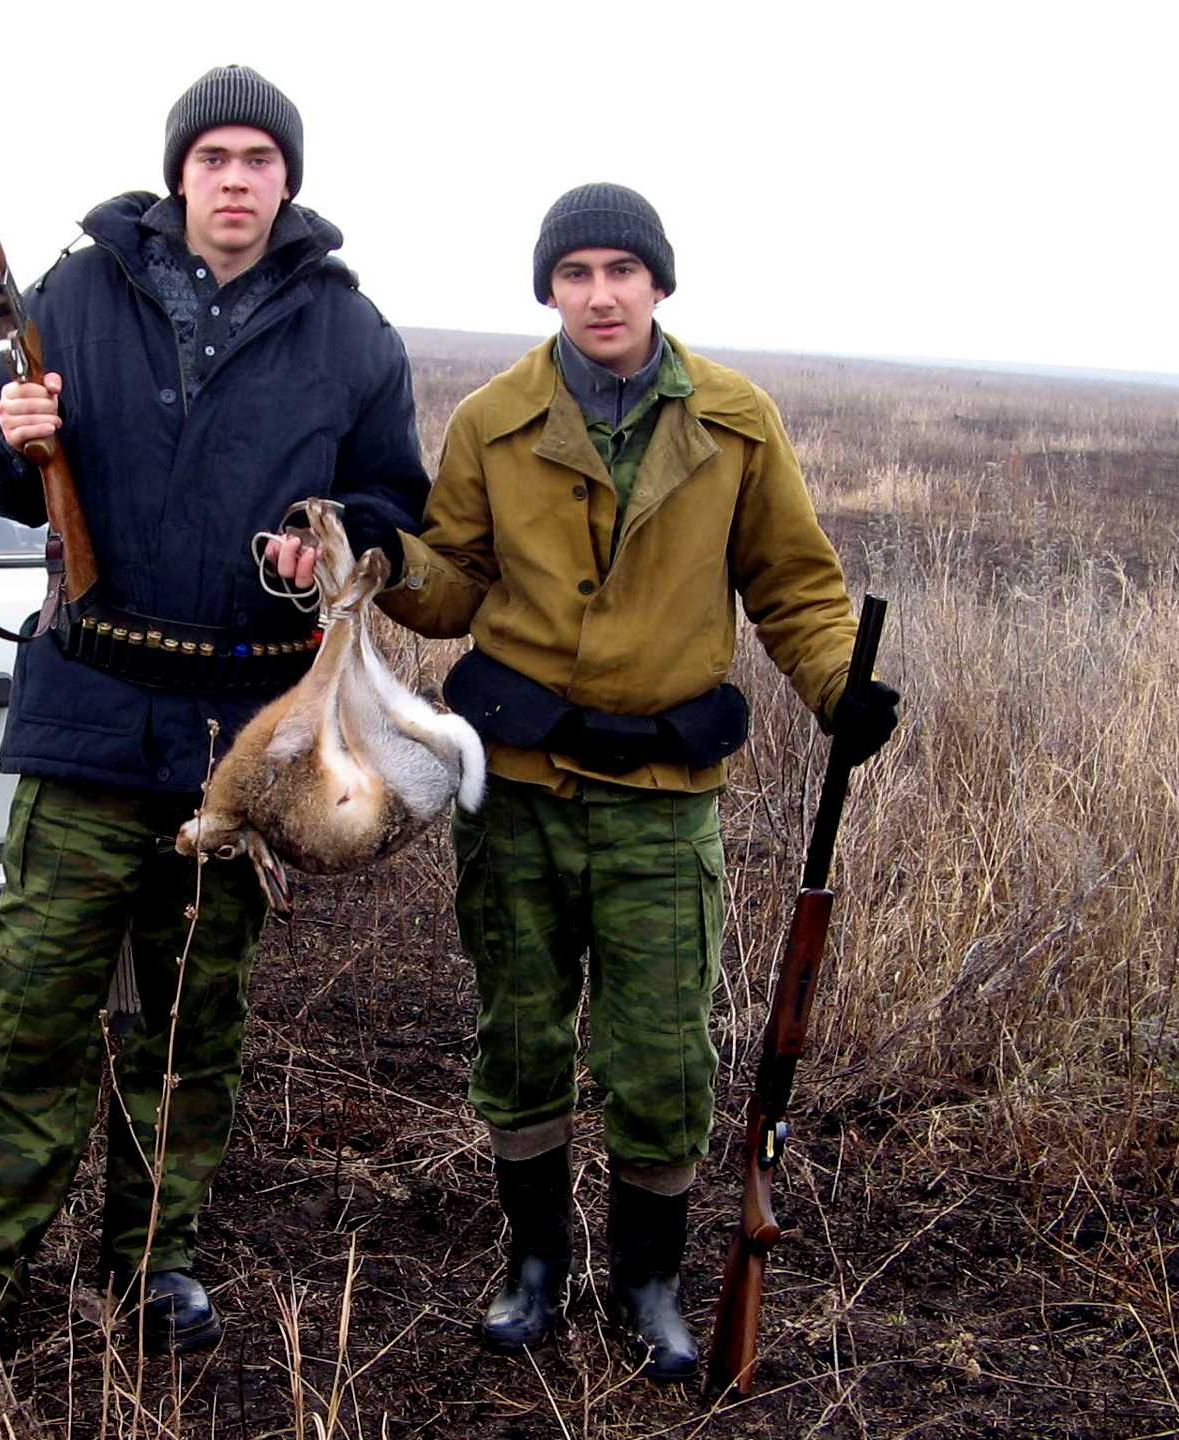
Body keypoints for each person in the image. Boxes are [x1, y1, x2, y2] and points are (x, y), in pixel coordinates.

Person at [0, 65, 428, 1385]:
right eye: (214, 157)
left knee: (193, 1024)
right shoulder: (78, 293)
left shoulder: (349, 331)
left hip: (242, 746)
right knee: (30, 1015)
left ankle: (154, 1264)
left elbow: (394, 507)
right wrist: (12, 434)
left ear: (287, 180)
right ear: (179, 171)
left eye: (260, 159)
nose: (236, 179)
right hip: (89, 719)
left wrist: (336, 542)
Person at [374, 183, 899, 1380]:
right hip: (515, 790)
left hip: (662, 796)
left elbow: (794, 585)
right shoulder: (494, 418)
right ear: (548, 290)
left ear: (659, 282)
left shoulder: (736, 420)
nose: (600, 294)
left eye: (622, 270)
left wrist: (839, 685)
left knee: (661, 1051)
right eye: (576, 274)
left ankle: (648, 1281)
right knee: (520, 1035)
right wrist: (382, 560)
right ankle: (535, 1266)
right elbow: (451, 582)